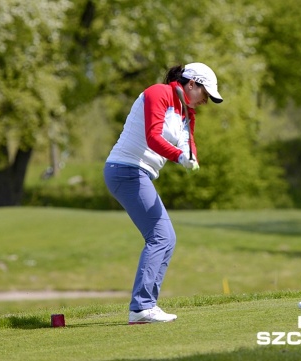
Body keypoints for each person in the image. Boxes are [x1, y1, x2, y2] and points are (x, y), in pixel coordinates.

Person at [103, 62, 223, 324]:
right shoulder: (159, 93)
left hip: (139, 173)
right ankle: (141, 307)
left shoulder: (186, 113)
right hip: (125, 169)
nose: (206, 101)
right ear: (191, 83)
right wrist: (180, 158)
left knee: (166, 237)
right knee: (160, 236)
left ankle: (145, 306)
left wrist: (191, 157)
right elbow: (152, 136)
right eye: (205, 94)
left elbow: (188, 144)